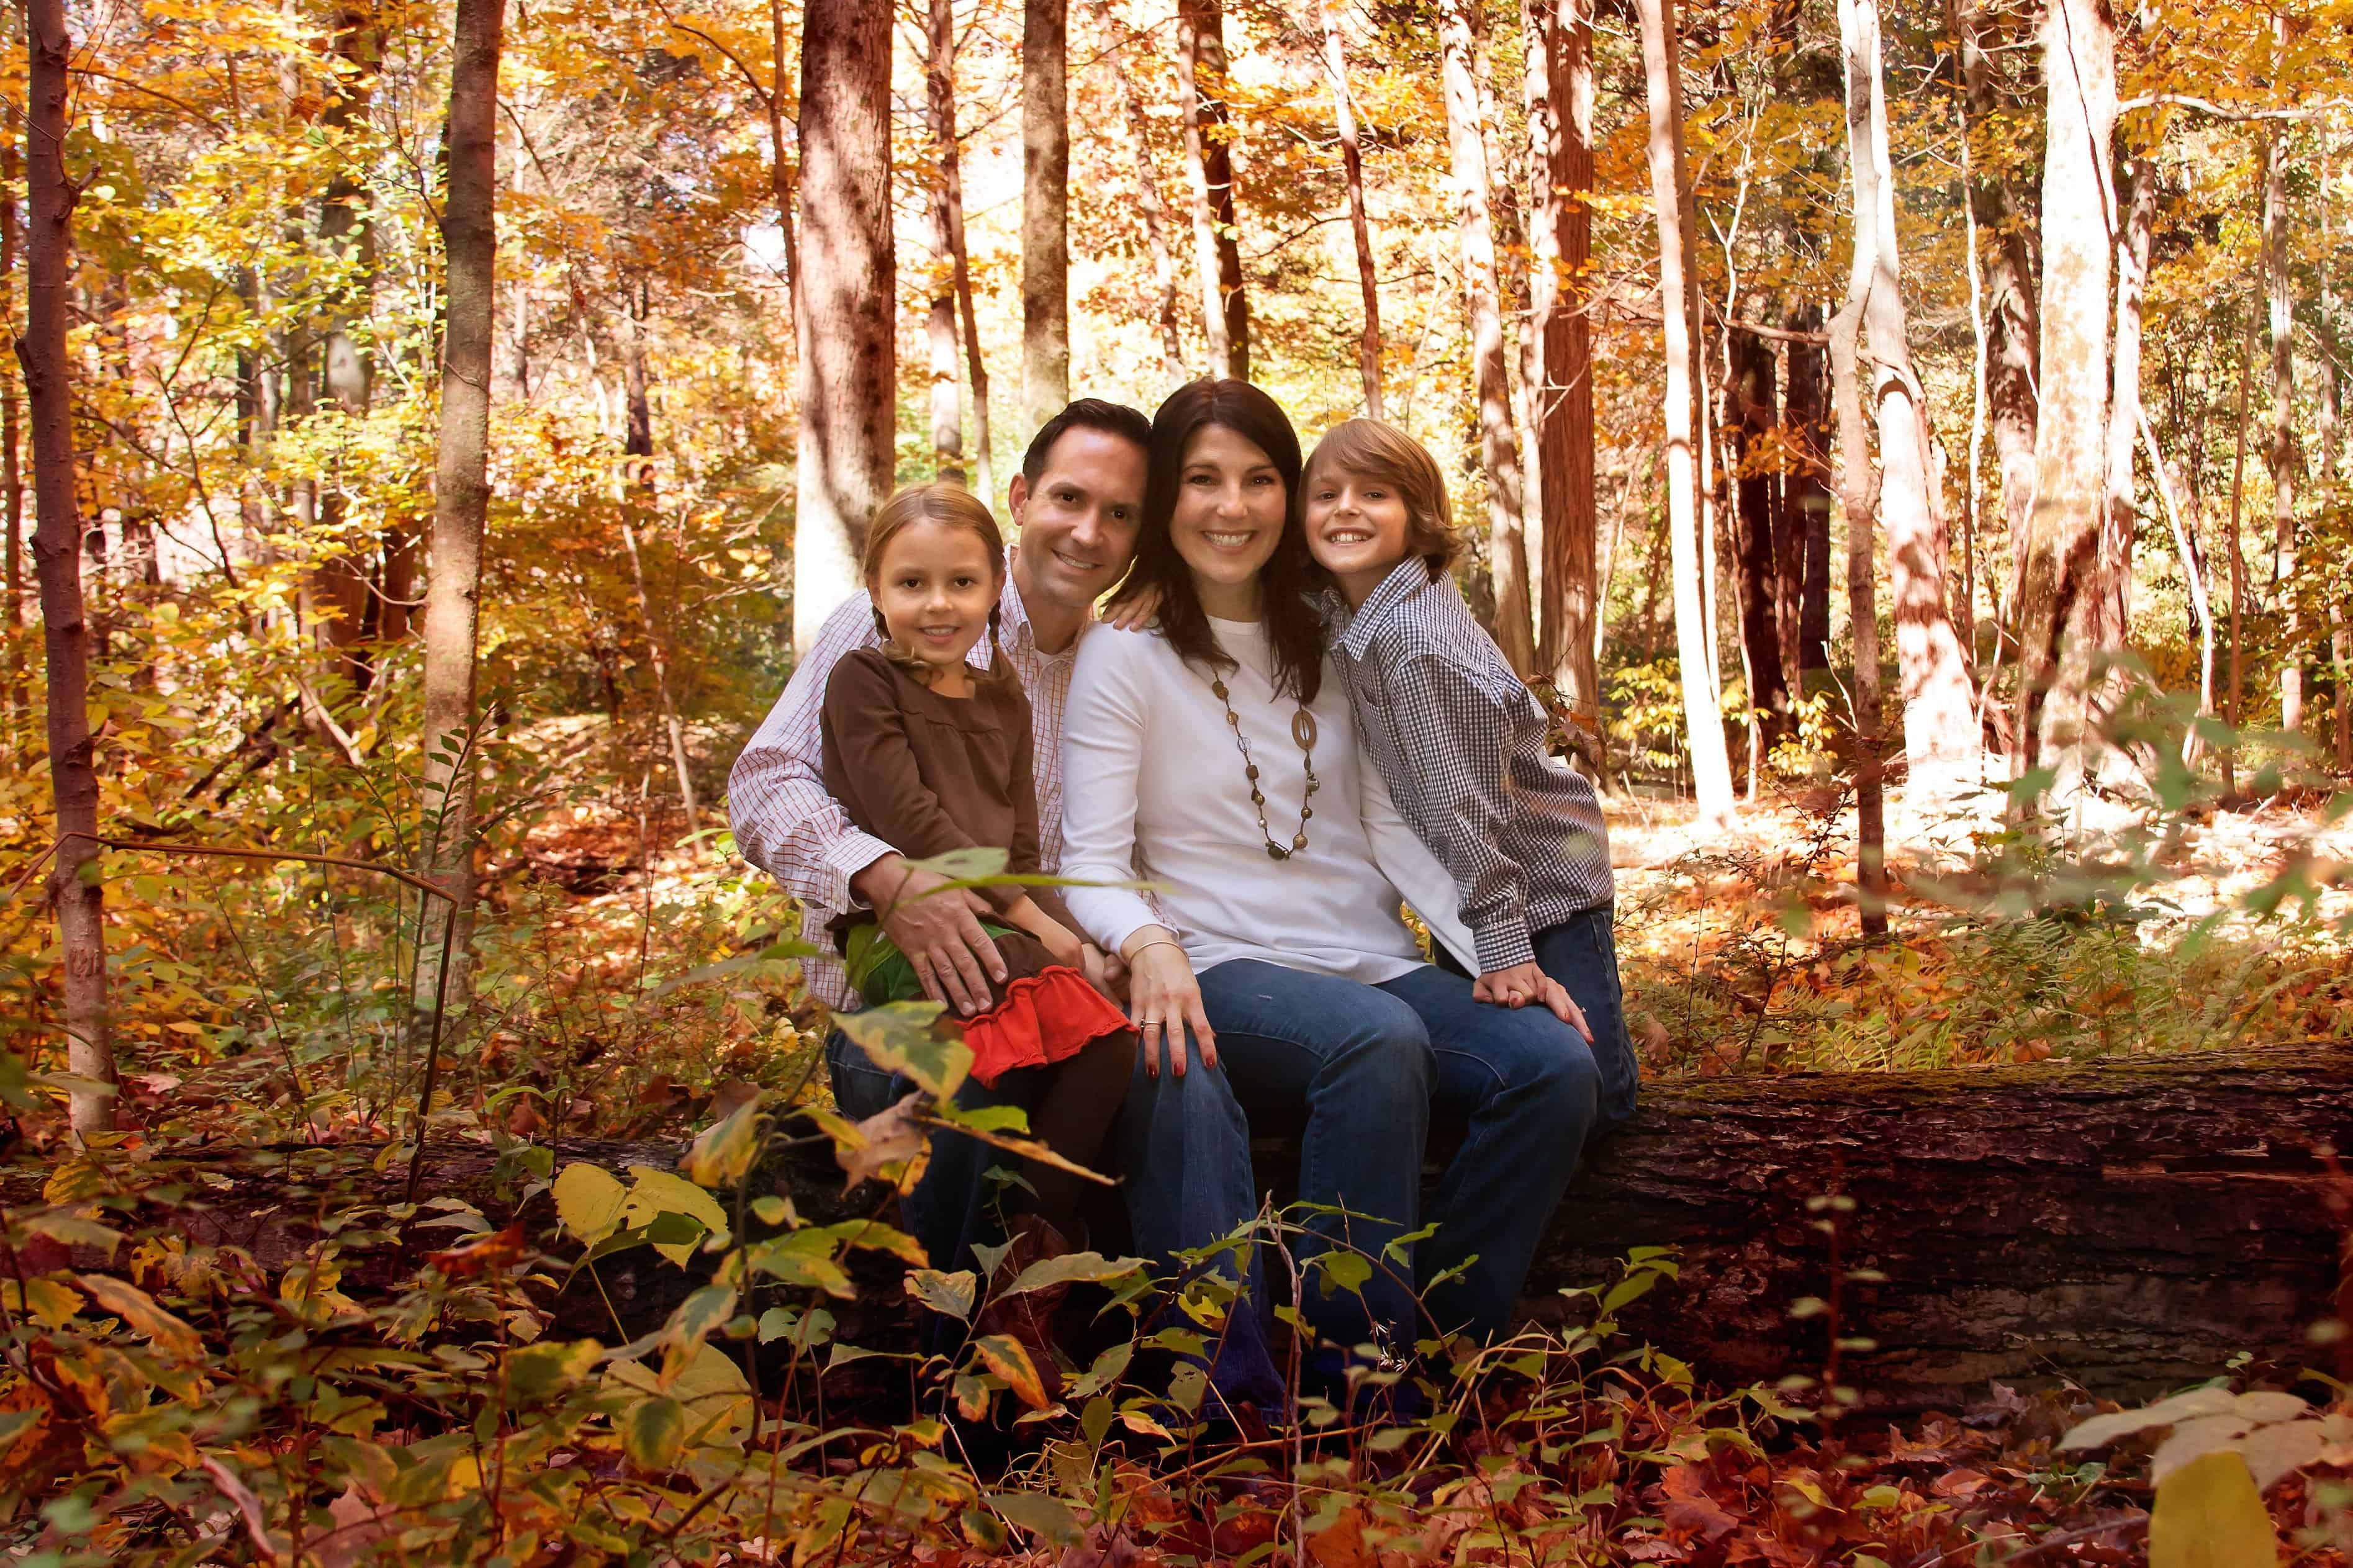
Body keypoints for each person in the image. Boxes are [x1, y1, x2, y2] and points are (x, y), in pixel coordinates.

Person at [1056, 379, 1603, 1411]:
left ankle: (1441, 1356)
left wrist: (1502, 955)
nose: (1233, 506)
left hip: (1371, 958)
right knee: (1371, 1038)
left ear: (1291, 496)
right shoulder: (1122, 651)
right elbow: (1088, 854)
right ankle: (1357, 1382)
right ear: (1169, 498)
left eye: (1261, 480)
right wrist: (1149, 942)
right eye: (1204, 480)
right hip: (1218, 968)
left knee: (1552, 1069)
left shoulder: (1329, 631)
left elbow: (1391, 822)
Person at [729, 399, 1152, 1279]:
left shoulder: (1120, 669)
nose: (1087, 532)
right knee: (983, 1066)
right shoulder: (887, 631)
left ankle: (1032, 1288)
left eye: (1119, 514)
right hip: (893, 1000)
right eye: (1069, 499)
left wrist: (1110, 942)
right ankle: (951, 1339)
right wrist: (882, 875)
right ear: (1022, 498)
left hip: (1036, 967)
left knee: (1150, 1066)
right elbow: (764, 782)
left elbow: (1071, 856)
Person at [820, 482, 1135, 1257]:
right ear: (875, 590)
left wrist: (1071, 938)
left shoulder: (1005, 700)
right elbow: (910, 820)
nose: (938, 606)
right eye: (911, 584)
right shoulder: (864, 680)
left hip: (1003, 922)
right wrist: (1031, 923)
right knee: (971, 1056)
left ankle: (1028, 1243)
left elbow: (1021, 850)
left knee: (1112, 1039)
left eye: (961, 583)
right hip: (909, 928)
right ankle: (944, 1285)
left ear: (996, 586)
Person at [1300, 419, 1638, 1131]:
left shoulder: (1414, 645)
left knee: (1594, 1100)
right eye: (1325, 494)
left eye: (1374, 494)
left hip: (1541, 893)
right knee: (1496, 1078)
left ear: (1419, 519)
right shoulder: (1356, 610)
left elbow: (1464, 807)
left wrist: (1502, 947)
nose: (1345, 509)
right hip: (1469, 895)